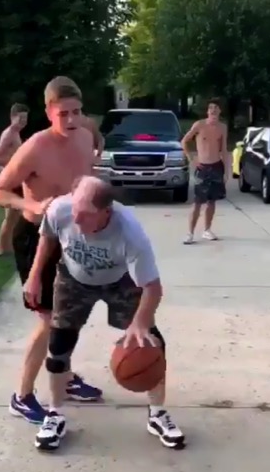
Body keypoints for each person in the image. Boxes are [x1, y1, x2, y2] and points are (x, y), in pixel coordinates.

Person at [25, 176, 184, 452]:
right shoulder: (60, 210)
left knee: (152, 343)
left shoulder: (130, 233)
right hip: (73, 279)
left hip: (120, 281)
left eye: (86, 215)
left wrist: (140, 323)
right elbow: (47, 236)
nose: (77, 220)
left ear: (106, 212)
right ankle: (55, 413)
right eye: (75, 211)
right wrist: (35, 275)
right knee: (59, 345)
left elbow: (153, 287)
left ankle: (157, 413)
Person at [0, 76, 107, 425]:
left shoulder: (85, 136)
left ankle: (64, 377)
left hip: (74, 236)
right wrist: (33, 204)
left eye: (76, 112)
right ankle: (22, 396)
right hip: (35, 237)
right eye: (62, 114)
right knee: (48, 320)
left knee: (70, 313)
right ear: (48, 111)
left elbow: (86, 175)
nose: (70, 120)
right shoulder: (35, 148)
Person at [182, 99, 229, 244]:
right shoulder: (199, 125)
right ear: (208, 111)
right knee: (197, 202)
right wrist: (191, 158)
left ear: (220, 111)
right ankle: (190, 233)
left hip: (216, 167)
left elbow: (224, 150)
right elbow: (184, 141)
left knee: (212, 201)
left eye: (216, 108)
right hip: (202, 167)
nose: (213, 110)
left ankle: (207, 230)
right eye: (211, 108)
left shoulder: (222, 127)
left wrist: (227, 171)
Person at [0, 102, 30, 256]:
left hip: (14, 179)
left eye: (25, 119)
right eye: (20, 118)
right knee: (11, 217)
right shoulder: (9, 134)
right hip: (9, 181)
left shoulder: (15, 133)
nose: (23, 122)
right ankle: (3, 250)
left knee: (14, 216)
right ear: (12, 117)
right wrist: (16, 163)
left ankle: (8, 248)